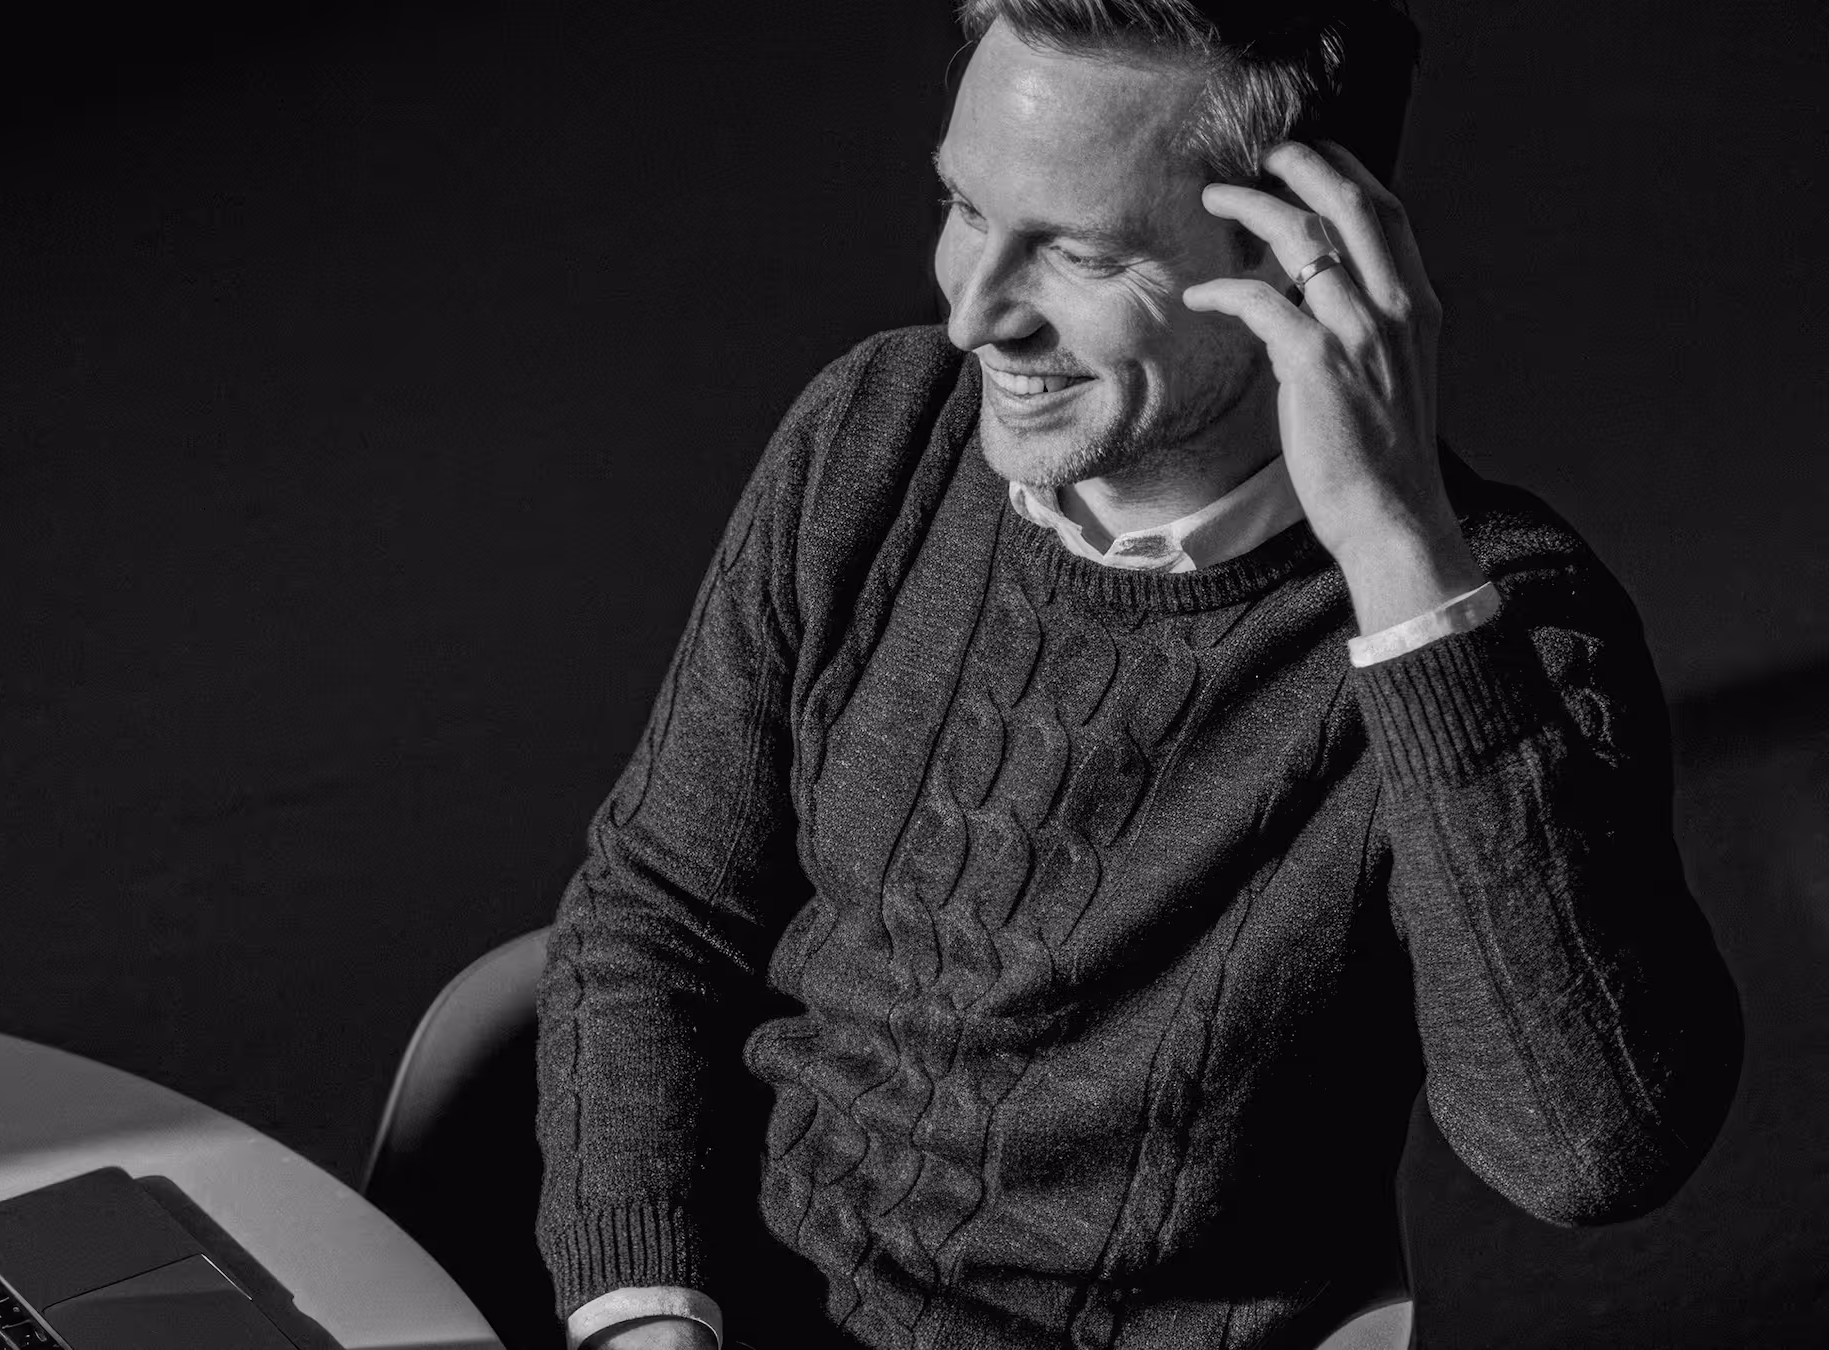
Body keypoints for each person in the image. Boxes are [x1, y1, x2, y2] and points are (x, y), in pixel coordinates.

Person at [532, 2, 1744, 1346]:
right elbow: (657, 913)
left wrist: (1401, 560)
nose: (974, 308)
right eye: (964, 206)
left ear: (1304, 262)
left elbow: (1590, 1151)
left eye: (1078, 252)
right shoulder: (870, 436)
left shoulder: (1503, 625)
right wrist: (647, 1317)